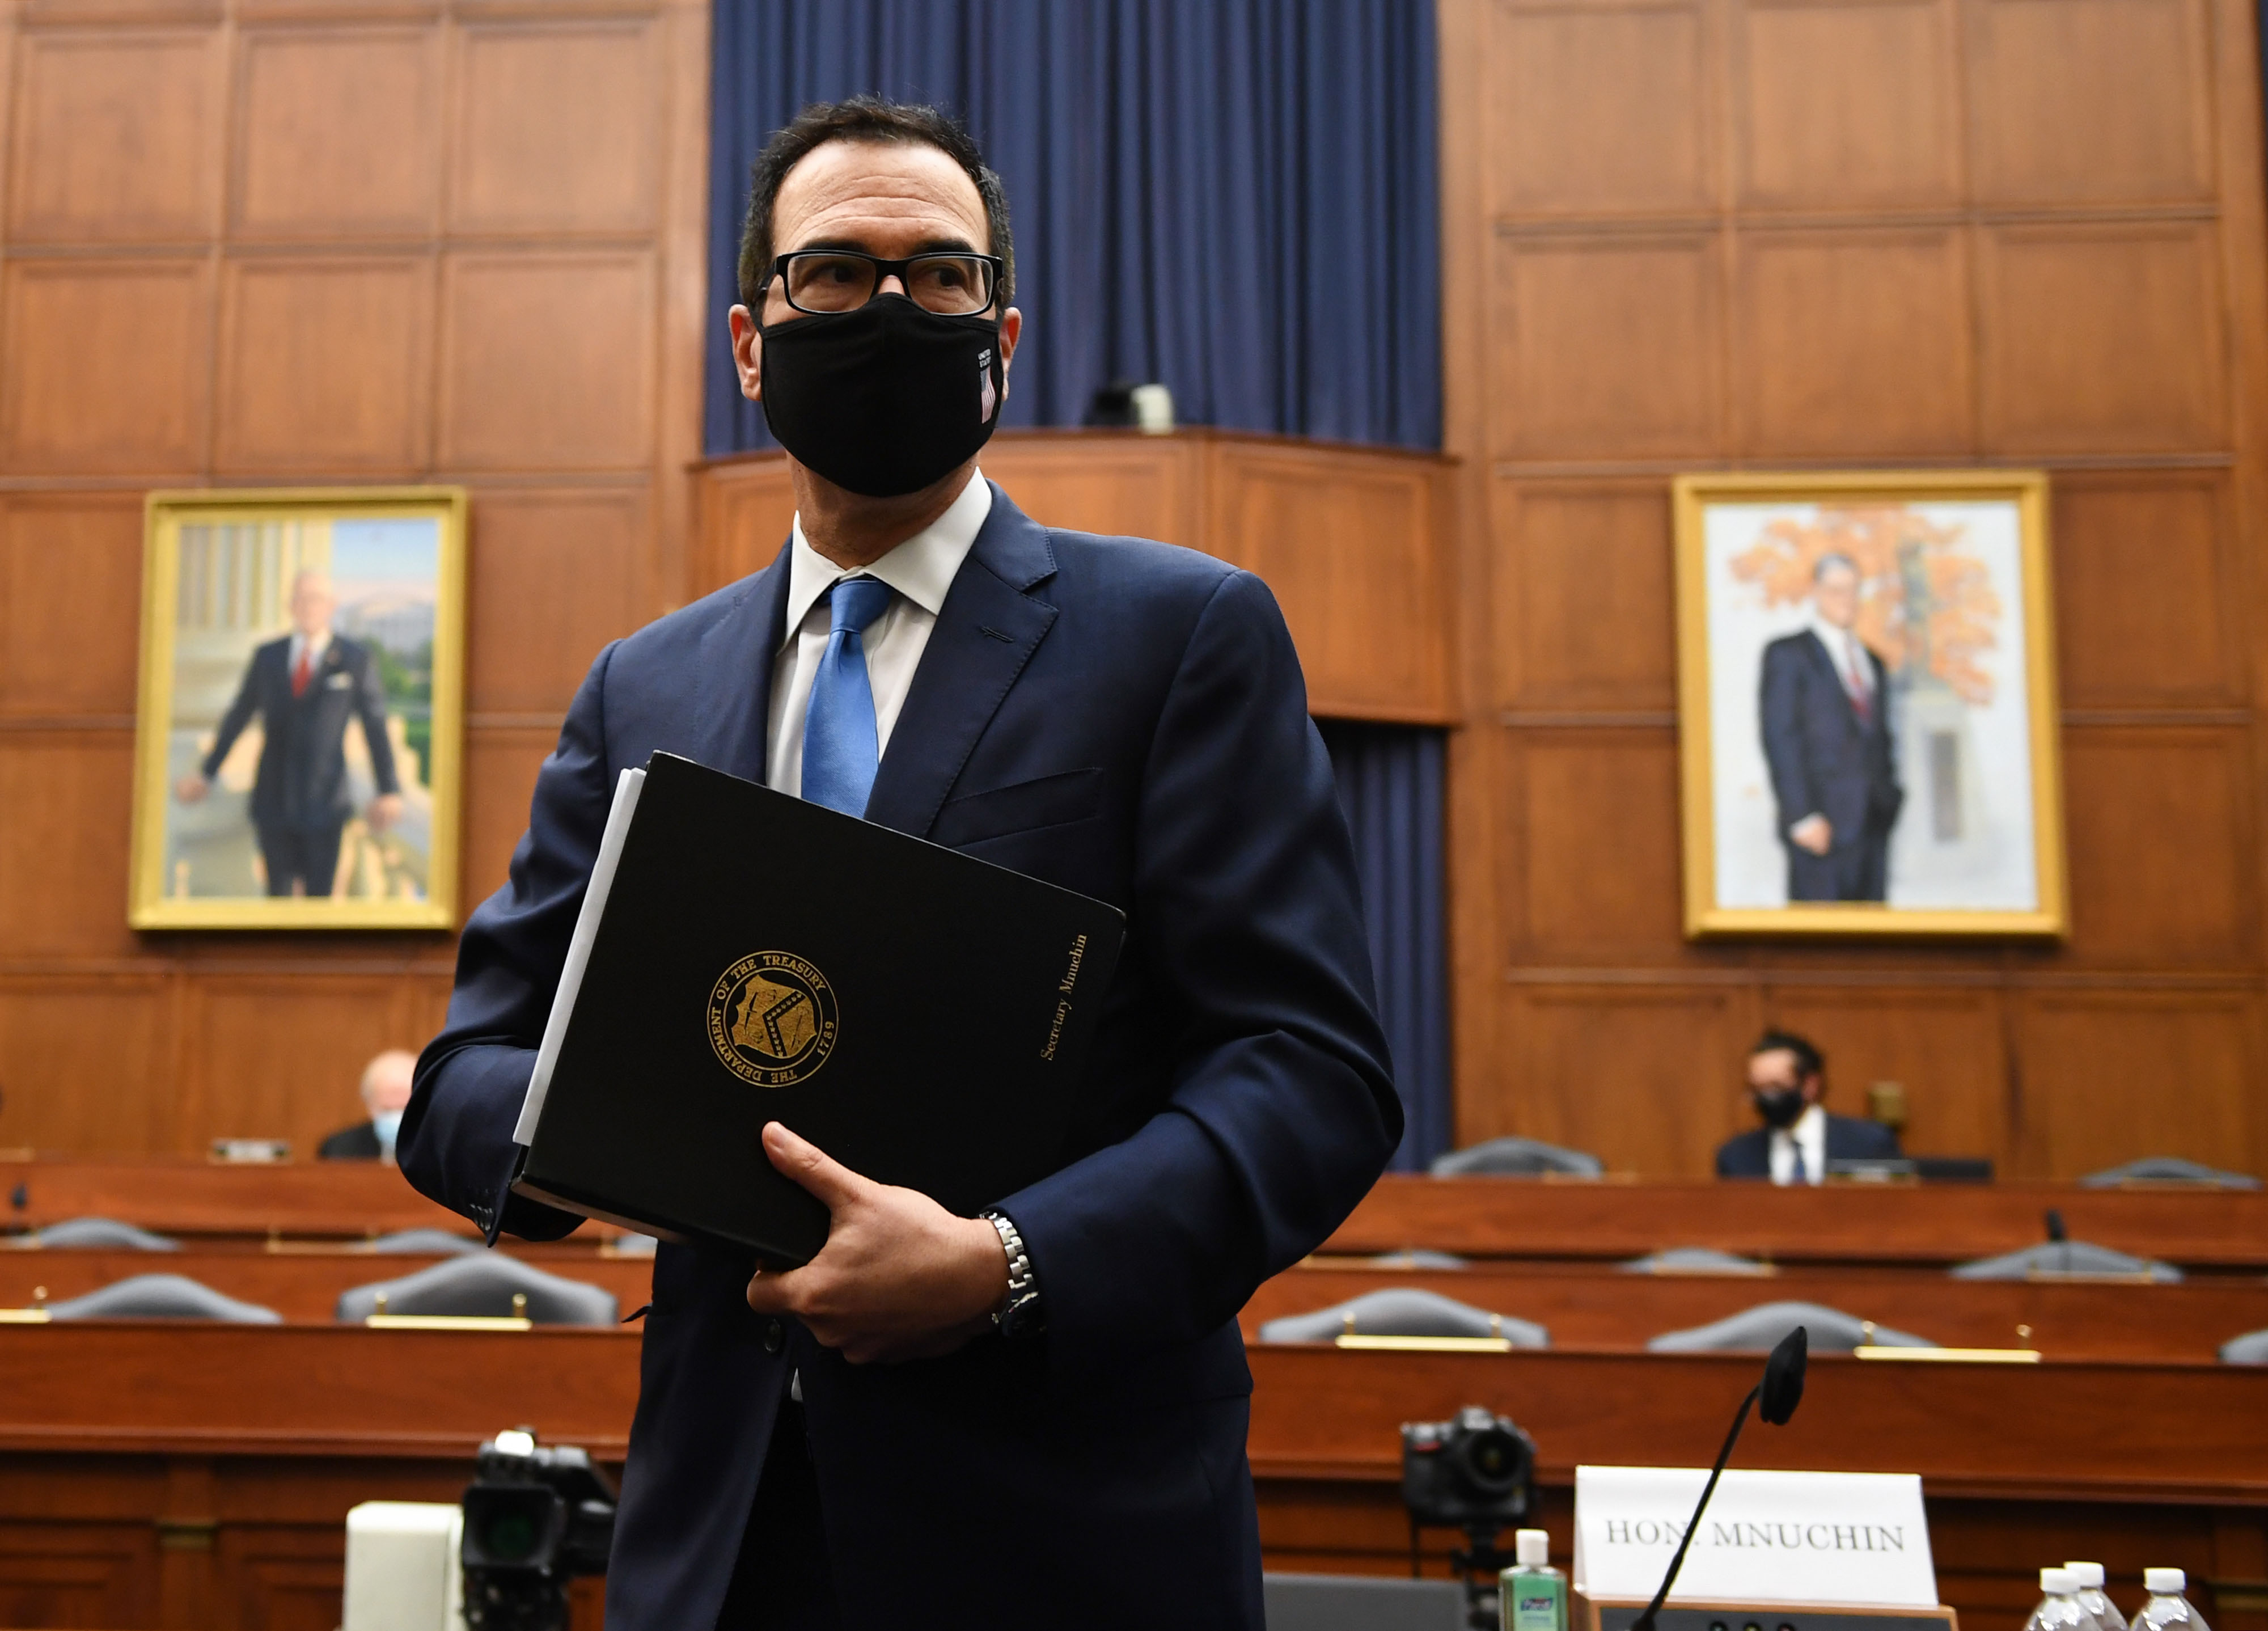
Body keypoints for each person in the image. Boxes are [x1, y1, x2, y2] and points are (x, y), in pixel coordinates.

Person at [399, 98, 1397, 1631]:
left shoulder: (1181, 635)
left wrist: (1008, 1261)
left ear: (1002, 330)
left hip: (1068, 1535)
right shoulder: (644, 687)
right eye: (837, 274)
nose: (889, 309)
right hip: (723, 1541)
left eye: (940, 276)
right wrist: (595, 1129)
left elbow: (1310, 1070)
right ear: (750, 342)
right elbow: (469, 1065)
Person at [174, 568, 403, 898]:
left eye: (317, 599)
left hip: (326, 803)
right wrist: (207, 774)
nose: (309, 606)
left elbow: (375, 725)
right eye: (302, 599)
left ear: (331, 606)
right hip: (274, 800)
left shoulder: (355, 659)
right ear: (291, 606)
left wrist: (388, 789)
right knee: (277, 899)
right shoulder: (268, 656)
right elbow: (239, 716)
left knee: (319, 903)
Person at [1758, 552, 1903, 903]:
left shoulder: (1874, 662)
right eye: (1837, 591)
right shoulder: (1788, 655)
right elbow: (1780, 737)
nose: (1847, 600)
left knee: (1872, 939)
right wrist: (1802, 817)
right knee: (1817, 944)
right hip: (1820, 827)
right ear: (1816, 592)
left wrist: (1889, 799)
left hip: (1873, 825)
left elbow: (1879, 738)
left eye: (1854, 591)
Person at [1716, 1029, 1903, 1183]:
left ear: (1810, 1085)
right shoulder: (1736, 1155)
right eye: (1757, 1088)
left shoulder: (1868, 1142)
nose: (1766, 1097)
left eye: (1776, 1086)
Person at [317, 1049, 418, 1163]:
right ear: (369, 1105)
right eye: (387, 1110)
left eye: (404, 1109)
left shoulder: (438, 1145)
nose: (396, 1116)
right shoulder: (339, 1149)